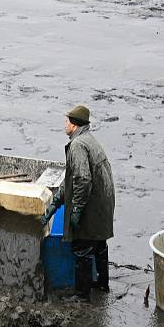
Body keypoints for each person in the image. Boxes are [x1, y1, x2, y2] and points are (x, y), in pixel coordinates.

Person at [41, 105, 115, 302]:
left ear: (73, 125)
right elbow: (70, 179)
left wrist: (77, 209)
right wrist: (54, 204)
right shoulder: (89, 139)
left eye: (66, 121)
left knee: (81, 247)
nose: (64, 125)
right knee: (99, 243)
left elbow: (82, 179)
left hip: (92, 203)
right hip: (103, 201)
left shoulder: (77, 146)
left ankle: (82, 296)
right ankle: (102, 284)